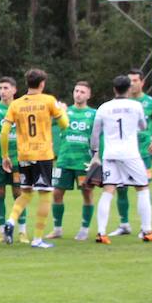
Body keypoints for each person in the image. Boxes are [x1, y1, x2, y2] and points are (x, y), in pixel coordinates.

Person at [89, 75, 152, 244]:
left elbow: (95, 133)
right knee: (142, 188)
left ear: (114, 89)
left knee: (108, 191)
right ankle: (147, 230)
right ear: (129, 89)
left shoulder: (104, 107)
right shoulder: (136, 106)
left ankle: (101, 233)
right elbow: (143, 126)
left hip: (110, 154)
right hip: (130, 153)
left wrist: (95, 153)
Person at [0, 69, 69, 249]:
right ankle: (37, 238)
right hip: (42, 155)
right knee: (45, 195)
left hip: (24, 155)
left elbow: (4, 132)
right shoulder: (49, 101)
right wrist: (63, 111)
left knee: (26, 193)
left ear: (27, 83)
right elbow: (64, 125)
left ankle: (10, 221)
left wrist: (5, 155)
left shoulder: (16, 104)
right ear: (42, 84)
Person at [111, 70, 152, 236]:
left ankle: (145, 226)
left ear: (142, 82)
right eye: (130, 81)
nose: (132, 83)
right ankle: (124, 224)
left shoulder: (151, 103)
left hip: (142, 151)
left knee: (143, 187)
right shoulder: (120, 103)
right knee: (121, 188)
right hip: (122, 151)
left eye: (135, 80)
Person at [49, 80, 97, 241]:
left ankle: (84, 229)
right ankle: (57, 229)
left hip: (84, 161)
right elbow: (46, 121)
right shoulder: (65, 111)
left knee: (87, 193)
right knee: (57, 193)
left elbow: (99, 136)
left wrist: (97, 156)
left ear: (89, 95)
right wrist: (56, 110)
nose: (78, 94)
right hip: (64, 159)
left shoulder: (94, 114)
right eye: (76, 91)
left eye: (82, 92)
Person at [0, 77, 27, 242]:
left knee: (19, 193)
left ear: (14, 90)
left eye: (6, 88)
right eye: (0, 88)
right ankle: (1, 231)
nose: (2, 91)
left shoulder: (21, 108)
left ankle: (22, 231)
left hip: (18, 159)